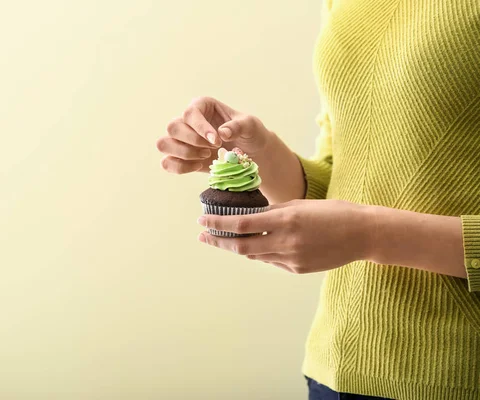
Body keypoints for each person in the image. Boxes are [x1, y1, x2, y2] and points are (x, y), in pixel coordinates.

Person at [156, 1, 480, 399]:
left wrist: (370, 234)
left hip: (457, 375)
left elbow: (360, 220)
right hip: (334, 367)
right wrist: (260, 149)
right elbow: (345, 178)